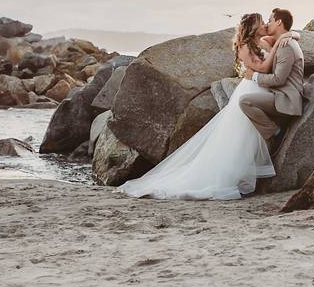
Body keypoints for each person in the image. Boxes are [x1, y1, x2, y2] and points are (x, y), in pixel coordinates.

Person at [118, 13, 296, 200]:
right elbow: (263, 68)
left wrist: (289, 36)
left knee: (248, 138)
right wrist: (277, 46)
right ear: (253, 28)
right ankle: (228, 178)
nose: (265, 26)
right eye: (261, 24)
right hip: (250, 90)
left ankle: (249, 168)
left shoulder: (264, 42)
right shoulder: (245, 47)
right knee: (240, 138)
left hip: (261, 89)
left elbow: (288, 38)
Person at [237, 8, 305, 146]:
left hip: (286, 98)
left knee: (245, 102)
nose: (267, 24)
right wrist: (289, 35)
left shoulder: (285, 44)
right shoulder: (278, 41)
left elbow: (278, 79)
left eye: (269, 21)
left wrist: (254, 76)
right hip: (273, 90)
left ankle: (275, 133)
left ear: (279, 22)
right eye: (264, 22)